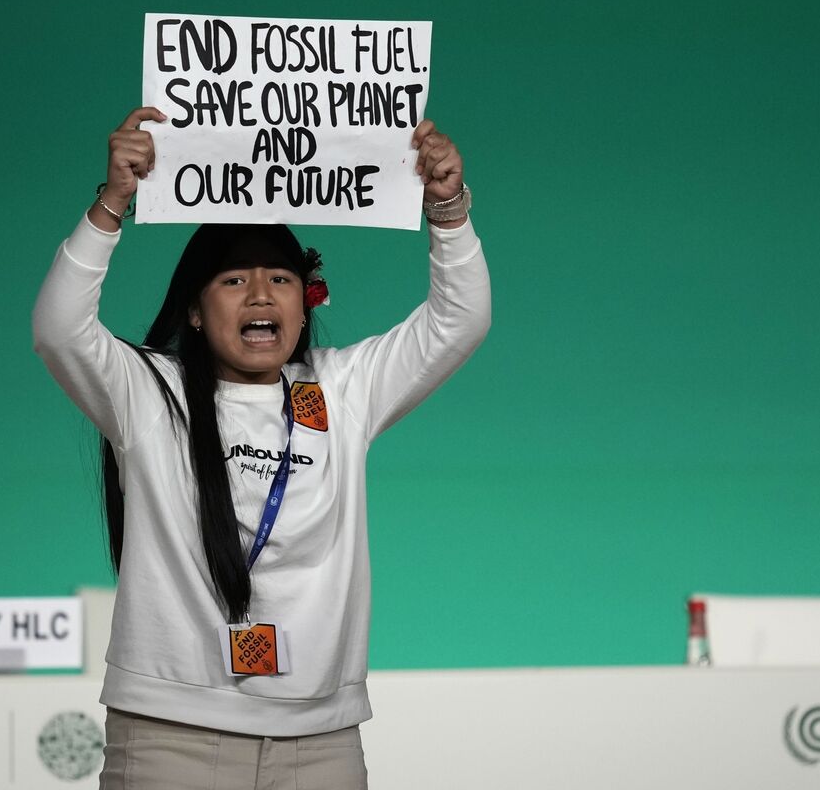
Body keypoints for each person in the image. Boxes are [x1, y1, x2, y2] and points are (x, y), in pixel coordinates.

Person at [33, 107, 490, 789]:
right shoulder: (150, 391)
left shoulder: (340, 389)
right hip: (171, 736)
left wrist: (448, 209)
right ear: (193, 308)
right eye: (232, 279)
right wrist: (112, 203)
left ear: (305, 303)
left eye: (278, 279)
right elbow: (60, 328)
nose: (259, 293)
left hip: (320, 741)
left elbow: (460, 320)